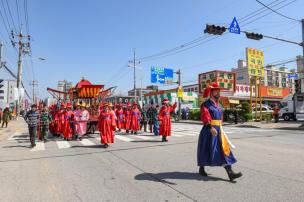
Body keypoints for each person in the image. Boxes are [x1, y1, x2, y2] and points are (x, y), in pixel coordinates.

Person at [197, 83, 242, 181]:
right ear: (211, 93)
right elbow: (205, 116)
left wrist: (220, 126)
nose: (218, 93)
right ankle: (201, 168)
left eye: (218, 91)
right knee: (205, 149)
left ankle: (230, 173)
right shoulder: (206, 104)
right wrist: (210, 127)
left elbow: (220, 117)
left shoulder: (218, 105)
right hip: (209, 130)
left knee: (224, 149)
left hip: (219, 130)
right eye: (216, 91)